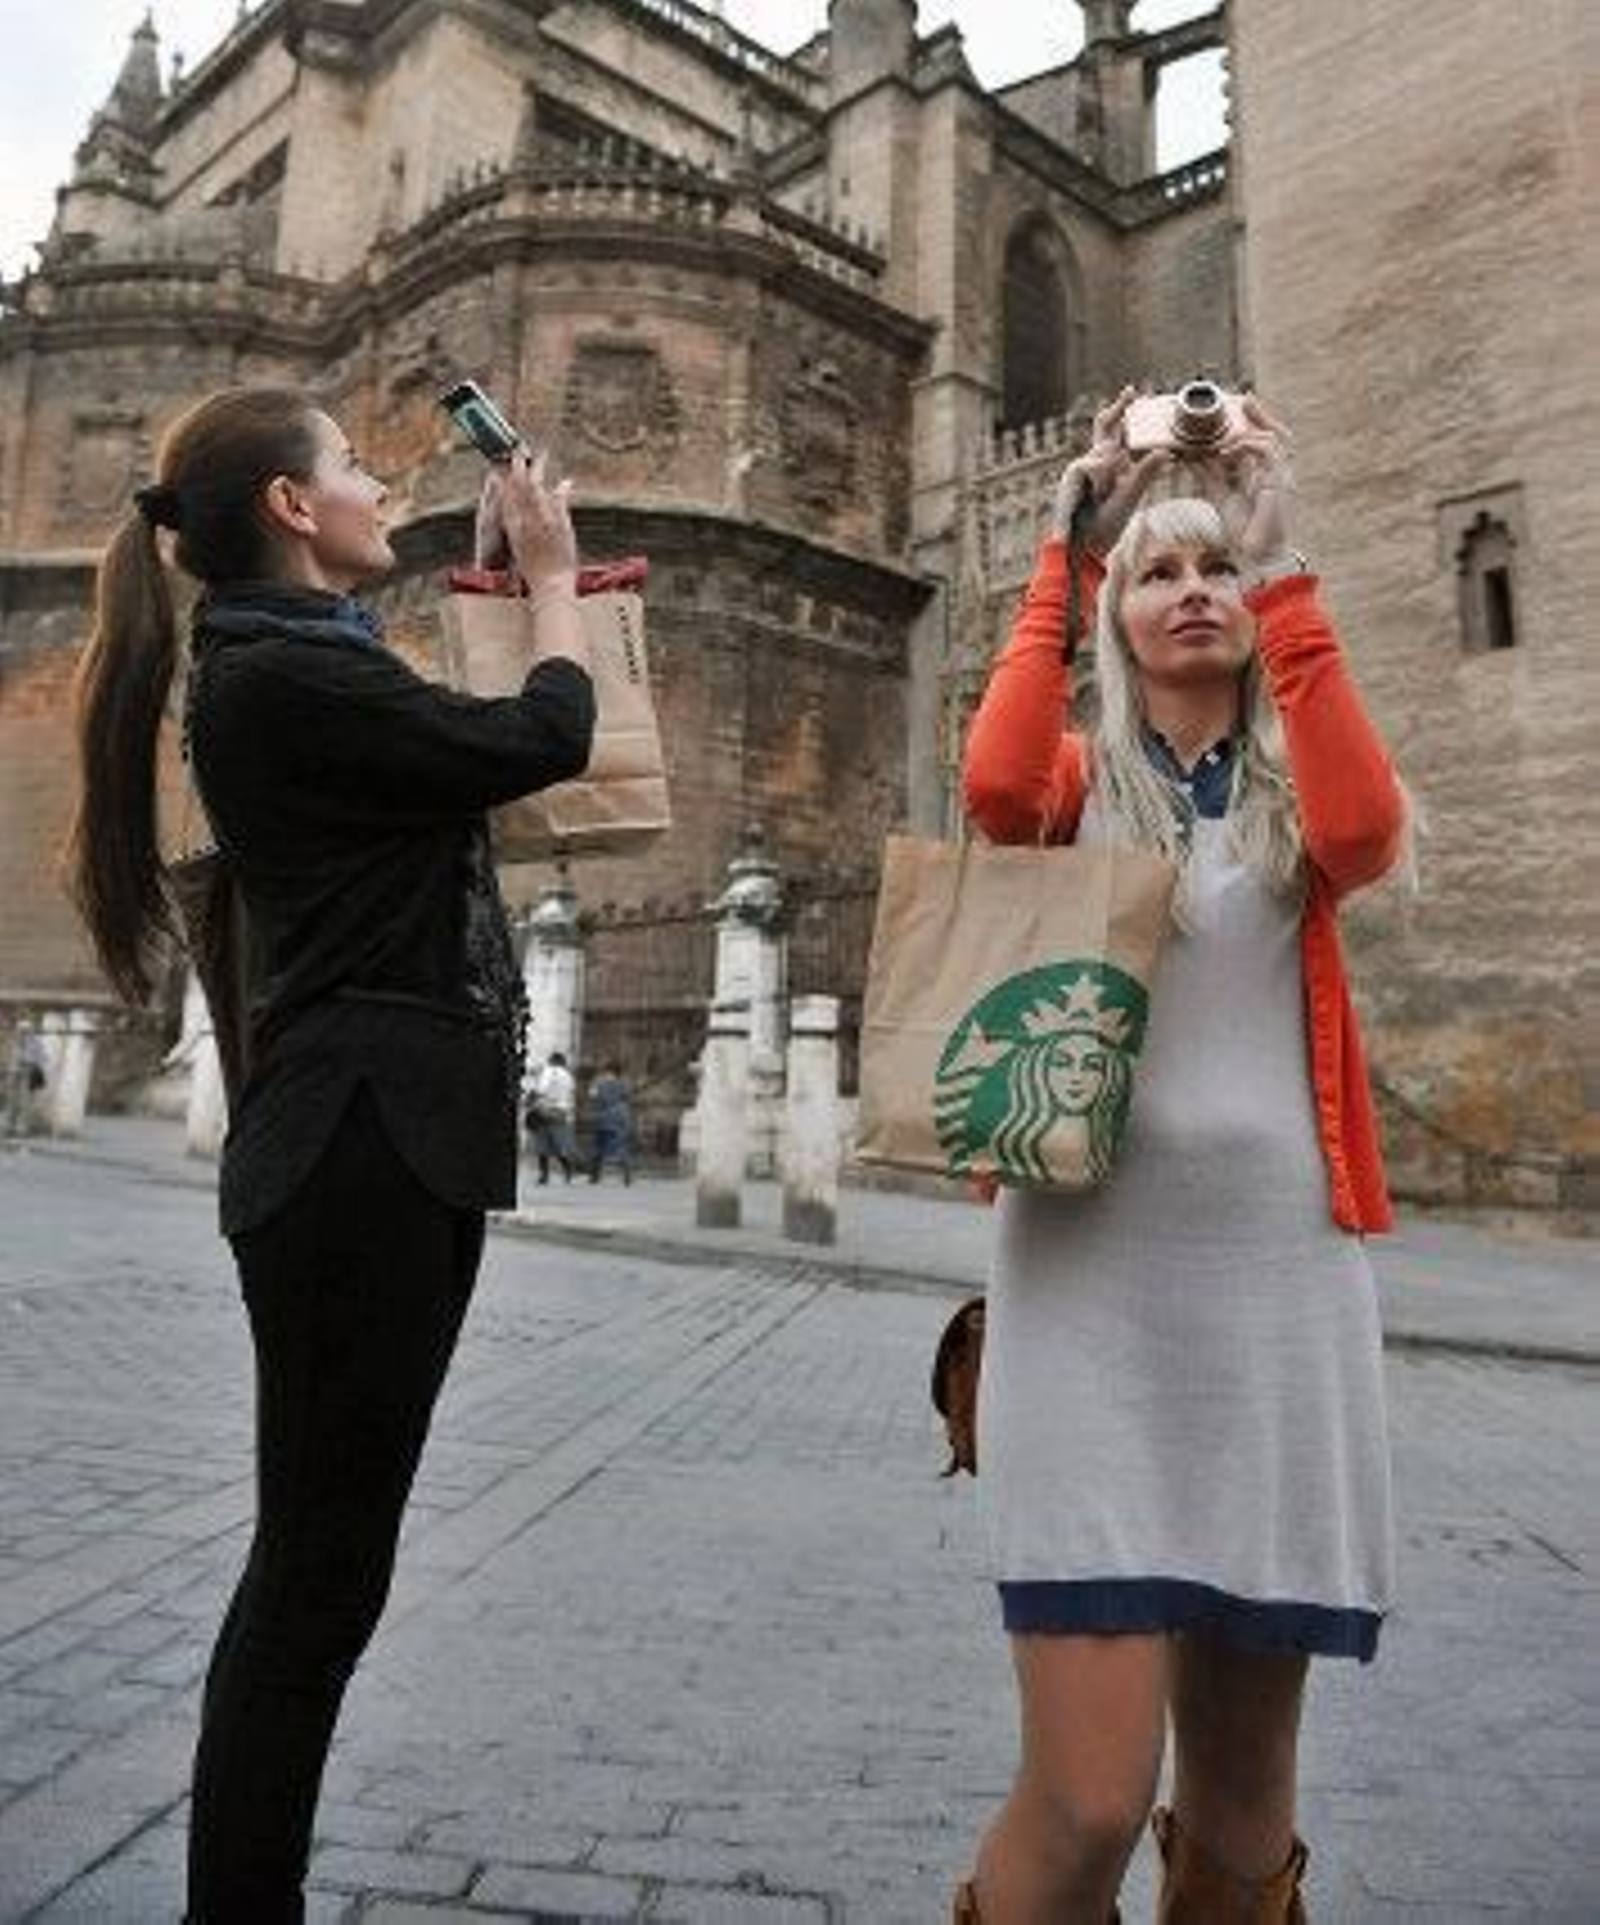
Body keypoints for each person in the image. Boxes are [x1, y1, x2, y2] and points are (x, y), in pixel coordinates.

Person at [66, 385, 595, 1921]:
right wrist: (554, 578)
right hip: (358, 1153)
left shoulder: (297, 662)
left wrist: (489, 579)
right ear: (291, 509)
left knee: (322, 1578)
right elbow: (541, 735)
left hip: (376, 1141)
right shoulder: (278, 679)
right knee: (311, 1583)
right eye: (356, 469)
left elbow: (438, 747)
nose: (380, 488)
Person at [952, 387, 1409, 1923]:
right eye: (1161, 574)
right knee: (1087, 1802)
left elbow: (1360, 830)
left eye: (1214, 569)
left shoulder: (1293, 798)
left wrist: (1287, 573)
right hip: (1087, 1303)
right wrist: (1062, 554)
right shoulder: (1080, 788)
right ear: (1116, 617)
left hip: (1281, 1308)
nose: (1192, 591)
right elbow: (994, 787)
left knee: (1238, 1816)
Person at [525, 1048, 578, 1182]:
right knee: (560, 1143)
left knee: (542, 1143)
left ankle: (544, 1175)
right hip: (561, 1112)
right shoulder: (568, 1076)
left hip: (545, 1110)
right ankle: (568, 1171)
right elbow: (571, 1093)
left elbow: (542, 1089)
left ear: (552, 1061)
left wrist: (530, 1099)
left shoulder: (549, 1071)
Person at [586, 1059, 633, 1184]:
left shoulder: (597, 1082)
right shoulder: (624, 1083)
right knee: (620, 1146)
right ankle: (627, 1174)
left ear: (607, 1070)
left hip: (601, 1117)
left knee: (598, 1147)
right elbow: (627, 1097)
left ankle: (594, 1176)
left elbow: (592, 1096)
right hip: (619, 1118)